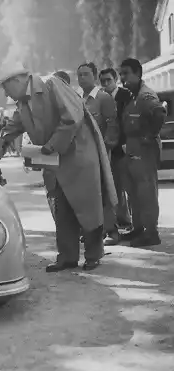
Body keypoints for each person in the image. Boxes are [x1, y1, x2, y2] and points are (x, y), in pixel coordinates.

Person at [0, 67, 117, 272]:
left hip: (78, 156)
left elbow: (73, 117)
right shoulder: (23, 104)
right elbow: (8, 132)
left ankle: (93, 255)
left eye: (6, 88)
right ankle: (67, 257)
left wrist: (50, 146)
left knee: (88, 207)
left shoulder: (52, 84)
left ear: (18, 80)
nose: (6, 94)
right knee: (61, 210)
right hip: (54, 160)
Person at [119, 58, 166, 247]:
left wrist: (149, 136)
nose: (122, 78)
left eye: (126, 73)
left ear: (138, 74)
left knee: (146, 191)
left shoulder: (146, 96)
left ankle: (151, 232)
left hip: (144, 150)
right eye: (121, 74)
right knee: (134, 192)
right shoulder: (131, 95)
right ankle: (138, 228)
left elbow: (160, 114)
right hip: (132, 148)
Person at [77, 62, 120, 245]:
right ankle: (95, 231)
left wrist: (108, 147)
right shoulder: (76, 98)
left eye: (86, 74)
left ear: (94, 76)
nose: (82, 78)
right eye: (79, 75)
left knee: (104, 191)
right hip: (82, 154)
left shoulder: (103, 98)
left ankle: (112, 230)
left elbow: (112, 124)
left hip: (101, 154)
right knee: (88, 193)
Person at [99, 67, 133, 230]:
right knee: (116, 186)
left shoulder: (126, 96)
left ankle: (132, 222)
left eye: (109, 80)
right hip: (110, 148)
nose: (106, 84)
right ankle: (122, 219)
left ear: (116, 80)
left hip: (125, 147)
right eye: (103, 81)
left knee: (129, 186)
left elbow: (129, 122)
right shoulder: (101, 98)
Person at [43, 70, 72, 224]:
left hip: (68, 159)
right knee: (52, 194)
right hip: (49, 161)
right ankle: (62, 226)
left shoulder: (75, 104)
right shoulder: (44, 105)